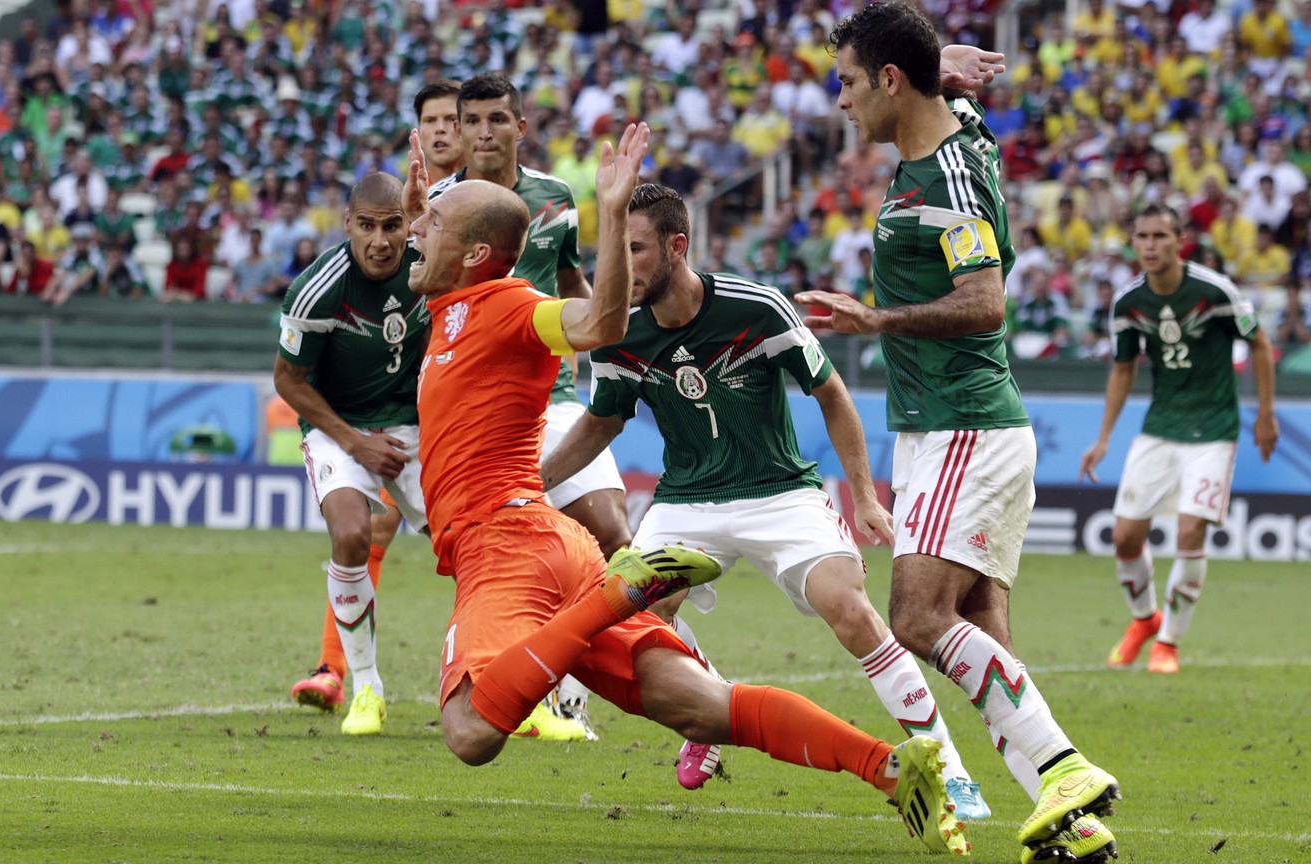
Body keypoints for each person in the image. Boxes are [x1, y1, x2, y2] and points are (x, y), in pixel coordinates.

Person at [406, 124, 966, 857]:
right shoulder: (449, 307)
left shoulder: (511, 306)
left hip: (507, 542)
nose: (417, 229)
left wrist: (608, 217)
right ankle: (893, 769)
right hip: (548, 537)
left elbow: (598, 321)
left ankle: (620, 590)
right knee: (702, 708)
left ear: (476, 254)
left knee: (472, 730)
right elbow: (417, 259)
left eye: (434, 224)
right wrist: (426, 207)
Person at [538, 181, 991, 815]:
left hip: (780, 491)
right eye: (613, 247)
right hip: (687, 500)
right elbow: (602, 421)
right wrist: (536, 481)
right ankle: (711, 707)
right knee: (641, 616)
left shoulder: (756, 308)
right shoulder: (618, 334)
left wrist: (863, 495)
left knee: (852, 611)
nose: (620, 265)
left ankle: (949, 767)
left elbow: (831, 393)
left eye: (634, 249)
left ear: (677, 247)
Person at [794, 6, 1120, 862]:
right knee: (980, 625)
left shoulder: (949, 177)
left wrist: (873, 320)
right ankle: (1073, 827)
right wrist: (948, 62)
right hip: (945, 429)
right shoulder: (944, 143)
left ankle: (1063, 766)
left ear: (891, 82)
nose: (841, 101)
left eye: (850, 82)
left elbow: (985, 301)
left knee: (915, 618)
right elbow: (953, 100)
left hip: (963, 423)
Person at [408, 71, 635, 740]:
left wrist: (597, 323)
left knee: (610, 529)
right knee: (500, 545)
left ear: (517, 128)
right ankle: (531, 672)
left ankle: (584, 686)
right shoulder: (443, 204)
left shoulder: (556, 199)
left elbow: (572, 280)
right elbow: (423, 289)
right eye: (468, 119)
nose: (480, 132)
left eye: (494, 120)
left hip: (552, 381)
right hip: (479, 389)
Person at [1078, 205, 1278, 674]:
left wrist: (1265, 414)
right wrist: (1104, 437)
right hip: (1160, 427)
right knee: (1126, 537)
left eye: (1159, 236)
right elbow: (1124, 368)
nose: (1149, 245)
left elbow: (1261, 344)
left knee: (1191, 529)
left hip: (1213, 430)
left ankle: (1168, 643)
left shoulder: (1215, 291)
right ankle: (1145, 620)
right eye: (1141, 236)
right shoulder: (1128, 302)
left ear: (1179, 240)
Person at [275, 173, 430, 737]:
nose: (380, 241)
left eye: (392, 226)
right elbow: (288, 380)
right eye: (366, 226)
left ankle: (490, 675)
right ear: (348, 225)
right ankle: (365, 686)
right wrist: (355, 441)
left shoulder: (431, 266)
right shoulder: (316, 289)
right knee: (350, 535)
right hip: (341, 428)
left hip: (417, 425)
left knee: (472, 549)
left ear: (407, 224)